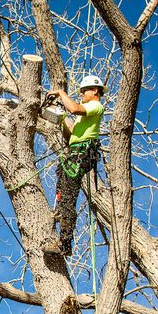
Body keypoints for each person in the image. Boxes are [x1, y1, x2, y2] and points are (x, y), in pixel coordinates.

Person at [43, 75, 105, 256]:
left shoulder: (95, 106)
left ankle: (65, 243)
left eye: (84, 91)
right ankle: (59, 213)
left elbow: (75, 109)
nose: (82, 94)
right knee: (62, 184)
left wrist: (61, 93)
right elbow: (72, 138)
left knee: (69, 196)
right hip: (75, 153)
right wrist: (61, 119)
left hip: (82, 155)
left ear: (95, 90)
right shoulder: (84, 114)